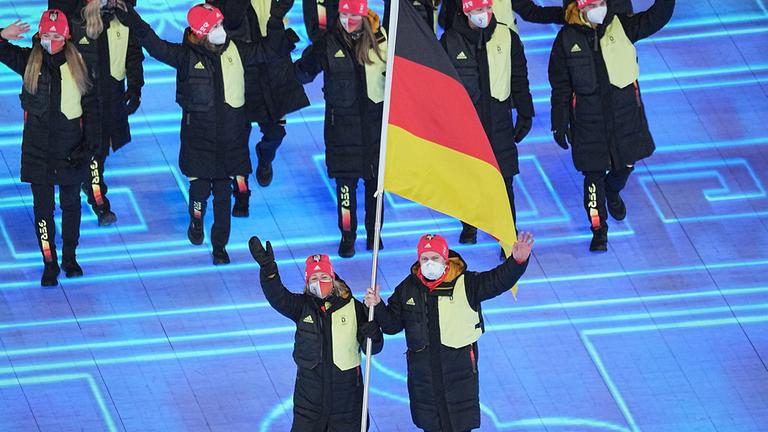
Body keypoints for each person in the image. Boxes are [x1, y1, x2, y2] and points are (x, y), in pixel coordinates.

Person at [115, 2, 294, 264]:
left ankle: (219, 246)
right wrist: (131, 18)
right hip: (198, 143)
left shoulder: (236, 50)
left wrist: (277, 19)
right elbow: (153, 44)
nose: (222, 31)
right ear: (199, 33)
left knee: (223, 199)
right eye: (215, 27)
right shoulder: (185, 57)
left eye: (221, 25)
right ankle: (196, 222)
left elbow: (267, 50)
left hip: (230, 143)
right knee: (199, 193)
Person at [364, 232, 534, 431]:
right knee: (431, 425)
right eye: (425, 258)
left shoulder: (468, 283)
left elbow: (498, 280)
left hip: (459, 373)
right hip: (424, 378)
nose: (429, 263)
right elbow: (393, 325)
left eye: (435, 258)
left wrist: (517, 262)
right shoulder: (407, 288)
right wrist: (378, 306)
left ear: (445, 259)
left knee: (459, 424)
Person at [548, 0, 674, 251]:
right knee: (592, 177)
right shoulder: (566, 39)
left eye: (603, 2)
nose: (600, 8)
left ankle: (613, 190)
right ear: (581, 7)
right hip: (588, 123)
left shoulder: (622, 25)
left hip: (624, 117)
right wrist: (559, 123)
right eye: (594, 4)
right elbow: (560, 86)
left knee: (626, 165)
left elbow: (657, 16)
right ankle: (598, 231)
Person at [0, 10, 97, 286]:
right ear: (40, 35)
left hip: (70, 153)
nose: (51, 39)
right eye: (46, 34)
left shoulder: (80, 65)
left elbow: (92, 111)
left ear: (66, 35)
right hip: (37, 154)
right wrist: (2, 35)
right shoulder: (29, 61)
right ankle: (49, 262)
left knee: (71, 207)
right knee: (43, 212)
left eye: (56, 34)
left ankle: (69, 258)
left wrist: (89, 147)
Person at [248, 237, 384, 431]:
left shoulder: (354, 307)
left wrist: (374, 333)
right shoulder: (302, 306)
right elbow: (277, 297)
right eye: (314, 279)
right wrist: (268, 269)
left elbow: (373, 348)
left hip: (347, 400)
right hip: (310, 399)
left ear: (333, 279)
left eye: (324, 277)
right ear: (307, 282)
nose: (319, 282)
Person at [294, 0, 387, 258]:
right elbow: (303, 73)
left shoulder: (382, 39)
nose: (348, 20)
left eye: (353, 16)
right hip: (340, 130)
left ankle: (374, 233)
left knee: (375, 187)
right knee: (345, 189)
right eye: (344, 15)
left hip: (374, 130)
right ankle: (348, 237)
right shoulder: (328, 42)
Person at [440, 0, 534, 248]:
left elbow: (519, 78)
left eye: (487, 9)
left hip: (499, 119)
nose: (484, 15)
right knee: (467, 177)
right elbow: (441, 87)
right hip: (465, 123)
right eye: (478, 10)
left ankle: (507, 236)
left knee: (505, 181)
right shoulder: (450, 41)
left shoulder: (507, 36)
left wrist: (526, 112)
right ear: (466, 10)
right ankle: (469, 224)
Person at [206, 0, 310, 218]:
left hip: (271, 70)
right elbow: (222, 22)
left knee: (276, 132)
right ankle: (241, 193)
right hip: (238, 68)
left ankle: (265, 157)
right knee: (236, 141)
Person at [52, 0, 144, 226]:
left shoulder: (122, 17)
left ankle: (93, 186)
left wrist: (135, 86)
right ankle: (98, 198)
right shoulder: (73, 19)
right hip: (81, 96)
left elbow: (133, 52)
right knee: (90, 147)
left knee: (99, 148)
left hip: (111, 95)